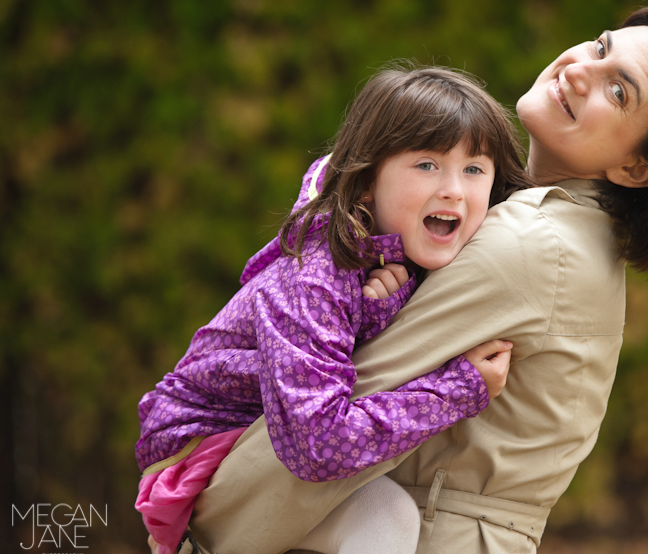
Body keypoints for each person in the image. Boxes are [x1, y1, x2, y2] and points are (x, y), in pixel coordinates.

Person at [186, 1, 648, 554]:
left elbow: (327, 425)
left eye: (618, 91)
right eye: (600, 48)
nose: (580, 71)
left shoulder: (530, 243)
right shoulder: (563, 232)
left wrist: (201, 528)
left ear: (637, 166)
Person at [133, 65, 533, 554]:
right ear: (366, 182)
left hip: (270, 432)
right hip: (200, 452)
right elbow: (318, 443)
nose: (453, 188)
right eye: (427, 164)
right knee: (385, 516)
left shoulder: (388, 259)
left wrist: (381, 312)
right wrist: (457, 390)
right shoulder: (316, 274)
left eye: (474, 169)